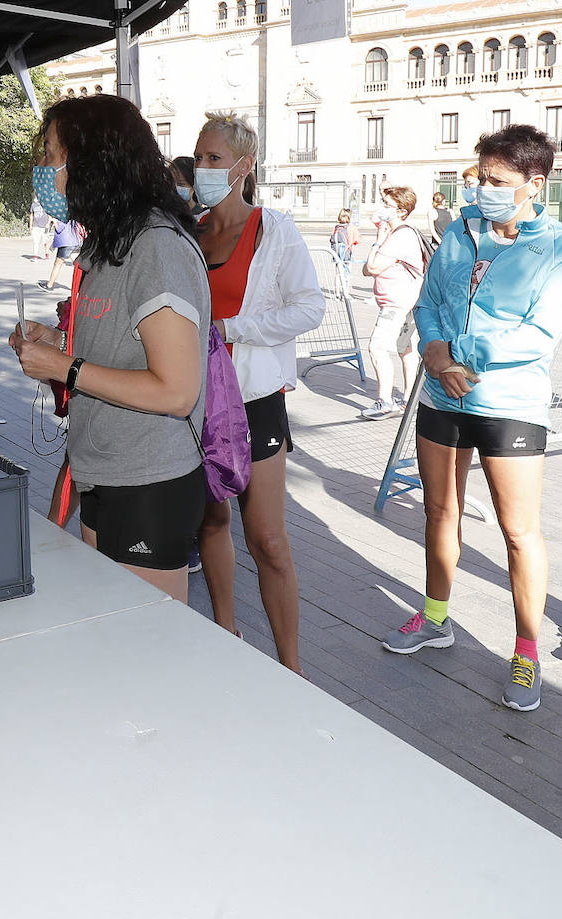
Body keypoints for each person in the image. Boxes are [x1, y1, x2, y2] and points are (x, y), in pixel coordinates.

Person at [380, 124, 562, 714]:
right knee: (440, 510)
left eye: (497, 181)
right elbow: (429, 302)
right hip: (443, 399)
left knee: (518, 531)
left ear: (535, 184)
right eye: (479, 178)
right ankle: (436, 618)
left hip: (509, 403)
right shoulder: (459, 231)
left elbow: (540, 333)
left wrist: (459, 357)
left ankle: (526, 652)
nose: (483, 190)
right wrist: (436, 350)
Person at [10, 94, 208, 604]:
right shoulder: (108, 242)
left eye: (51, 156)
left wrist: (64, 365)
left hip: (149, 479)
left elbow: (176, 390)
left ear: (94, 159)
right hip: (103, 468)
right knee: (109, 629)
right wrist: (56, 345)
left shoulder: (156, 247)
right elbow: (121, 348)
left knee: (150, 650)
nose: (44, 170)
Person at [192, 111, 325, 673]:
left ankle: (290, 666)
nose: (202, 168)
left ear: (244, 167)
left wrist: (232, 329)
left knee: (268, 539)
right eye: (199, 157)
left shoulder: (275, 230)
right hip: (196, 399)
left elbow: (309, 308)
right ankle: (226, 633)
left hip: (254, 400)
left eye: (214, 159)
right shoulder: (187, 230)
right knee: (211, 522)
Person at [361, 186, 424, 420]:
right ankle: (408, 398)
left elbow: (372, 267)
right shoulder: (403, 233)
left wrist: (377, 241)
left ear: (401, 211)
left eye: (386, 204)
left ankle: (385, 401)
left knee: (377, 348)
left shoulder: (400, 235)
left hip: (396, 304)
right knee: (404, 348)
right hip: (407, 302)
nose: (381, 208)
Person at [40, 217, 82, 291]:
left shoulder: (62, 216)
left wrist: (54, 221)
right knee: (79, 265)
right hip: (75, 242)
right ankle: (81, 286)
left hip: (65, 243)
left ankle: (49, 285)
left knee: (57, 264)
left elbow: (60, 228)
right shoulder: (73, 214)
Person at [329, 207, 359, 274]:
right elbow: (357, 239)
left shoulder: (336, 227)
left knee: (337, 271)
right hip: (346, 251)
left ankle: (337, 284)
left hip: (336, 251)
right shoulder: (351, 227)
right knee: (346, 270)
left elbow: (331, 239)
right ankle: (346, 283)